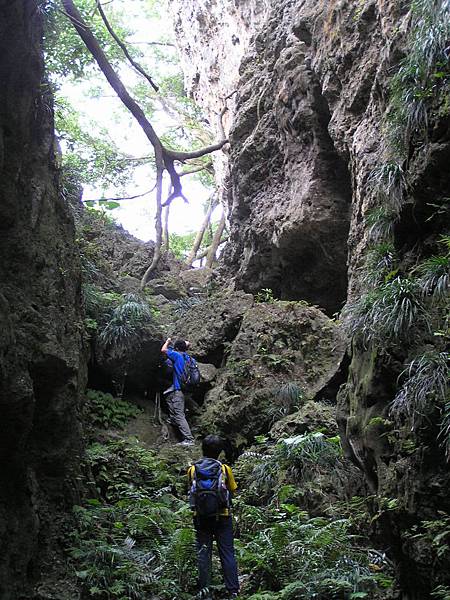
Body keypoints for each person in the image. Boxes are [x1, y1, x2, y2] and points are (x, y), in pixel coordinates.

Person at [188, 435, 240, 599]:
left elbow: (191, 491)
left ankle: (205, 592)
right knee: (227, 552)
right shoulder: (225, 469)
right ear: (219, 452)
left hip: (201, 517)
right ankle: (233, 590)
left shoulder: (192, 470)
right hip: (223, 516)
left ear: (202, 450)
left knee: (203, 553)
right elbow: (232, 489)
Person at [161, 337, 195, 446]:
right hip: (188, 389)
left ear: (176, 348)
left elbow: (163, 350)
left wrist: (167, 341)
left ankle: (189, 439)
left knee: (180, 414)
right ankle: (173, 420)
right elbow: (187, 344)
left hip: (179, 389)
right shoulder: (189, 358)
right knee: (168, 395)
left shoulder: (176, 355)